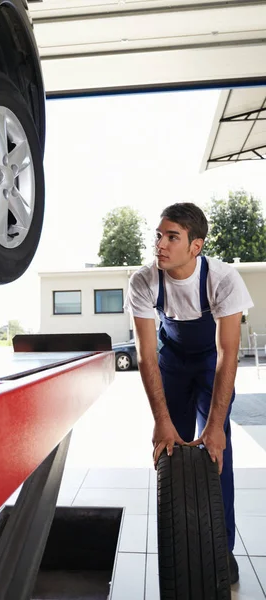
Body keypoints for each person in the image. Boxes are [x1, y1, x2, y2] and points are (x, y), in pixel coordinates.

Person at [124, 202, 253, 585]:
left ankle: (221, 551)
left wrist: (215, 426)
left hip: (212, 362)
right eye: (158, 235)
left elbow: (229, 355)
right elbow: (147, 356)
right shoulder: (144, 281)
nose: (160, 244)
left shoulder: (224, 279)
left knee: (216, 454)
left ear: (196, 246)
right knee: (171, 455)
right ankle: (178, 547)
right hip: (172, 363)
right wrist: (161, 422)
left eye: (172, 237)